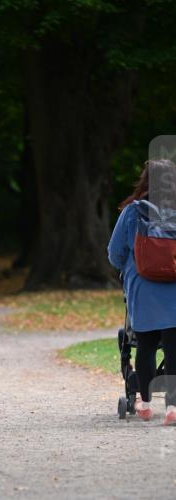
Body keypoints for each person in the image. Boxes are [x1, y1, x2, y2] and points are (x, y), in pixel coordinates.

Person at [108, 159, 176, 426]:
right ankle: (172, 408)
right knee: (173, 347)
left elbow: (115, 253)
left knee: (145, 344)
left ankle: (145, 404)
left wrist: (126, 268)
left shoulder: (133, 212)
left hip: (142, 288)